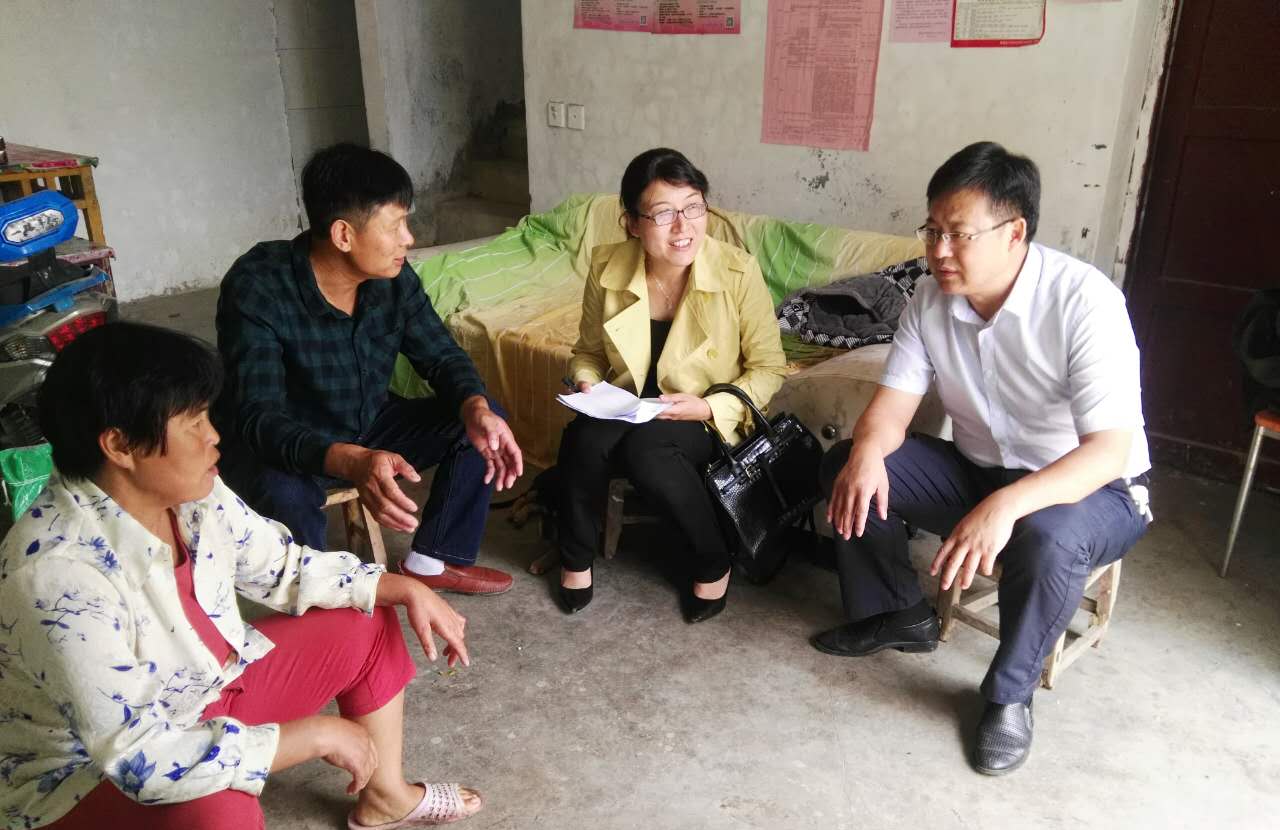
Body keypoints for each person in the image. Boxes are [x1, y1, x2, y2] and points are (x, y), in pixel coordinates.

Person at [0, 323, 483, 830]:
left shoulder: (189, 493)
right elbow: (141, 756)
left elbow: (281, 567)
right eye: (193, 422)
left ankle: (386, 799)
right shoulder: (56, 573)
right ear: (119, 445)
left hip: (204, 689)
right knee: (219, 823)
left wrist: (399, 585)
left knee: (364, 618)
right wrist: (310, 735)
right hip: (79, 779)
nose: (214, 437)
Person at [813, 142, 1152, 775]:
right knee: (848, 467)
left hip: (1092, 490)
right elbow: (890, 412)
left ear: (1014, 232)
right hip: (977, 471)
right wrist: (867, 450)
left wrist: (1007, 505)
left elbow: (1110, 451)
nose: (938, 250)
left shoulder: (1084, 301)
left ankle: (1008, 695)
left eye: (958, 234)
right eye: (931, 231)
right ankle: (898, 612)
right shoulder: (928, 301)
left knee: (1048, 538)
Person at [215, 143, 522, 596]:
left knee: (480, 421)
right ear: (343, 234)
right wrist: (350, 459)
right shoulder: (259, 285)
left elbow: (441, 357)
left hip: (366, 422)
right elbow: (259, 417)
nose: (408, 239)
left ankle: (430, 562)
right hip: (283, 445)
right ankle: (320, 601)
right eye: (395, 226)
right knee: (287, 496)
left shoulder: (393, 280)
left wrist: (475, 406)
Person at [557, 148, 787, 622]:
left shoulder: (738, 271)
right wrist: (586, 381)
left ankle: (713, 559)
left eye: (694, 207)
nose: (683, 227)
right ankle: (575, 557)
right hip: (629, 403)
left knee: (650, 450)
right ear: (632, 223)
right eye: (663, 213)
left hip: (706, 414)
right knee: (583, 437)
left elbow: (769, 368)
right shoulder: (607, 266)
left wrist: (708, 407)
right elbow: (588, 352)